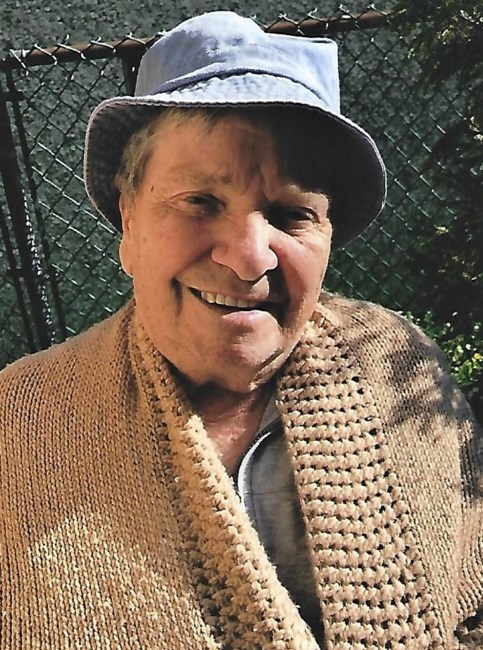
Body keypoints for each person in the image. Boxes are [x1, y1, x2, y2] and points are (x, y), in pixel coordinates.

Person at [0, 11, 481, 649]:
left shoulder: (398, 365)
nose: (250, 258)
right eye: (199, 202)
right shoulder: (20, 424)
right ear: (129, 220)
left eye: (291, 214)